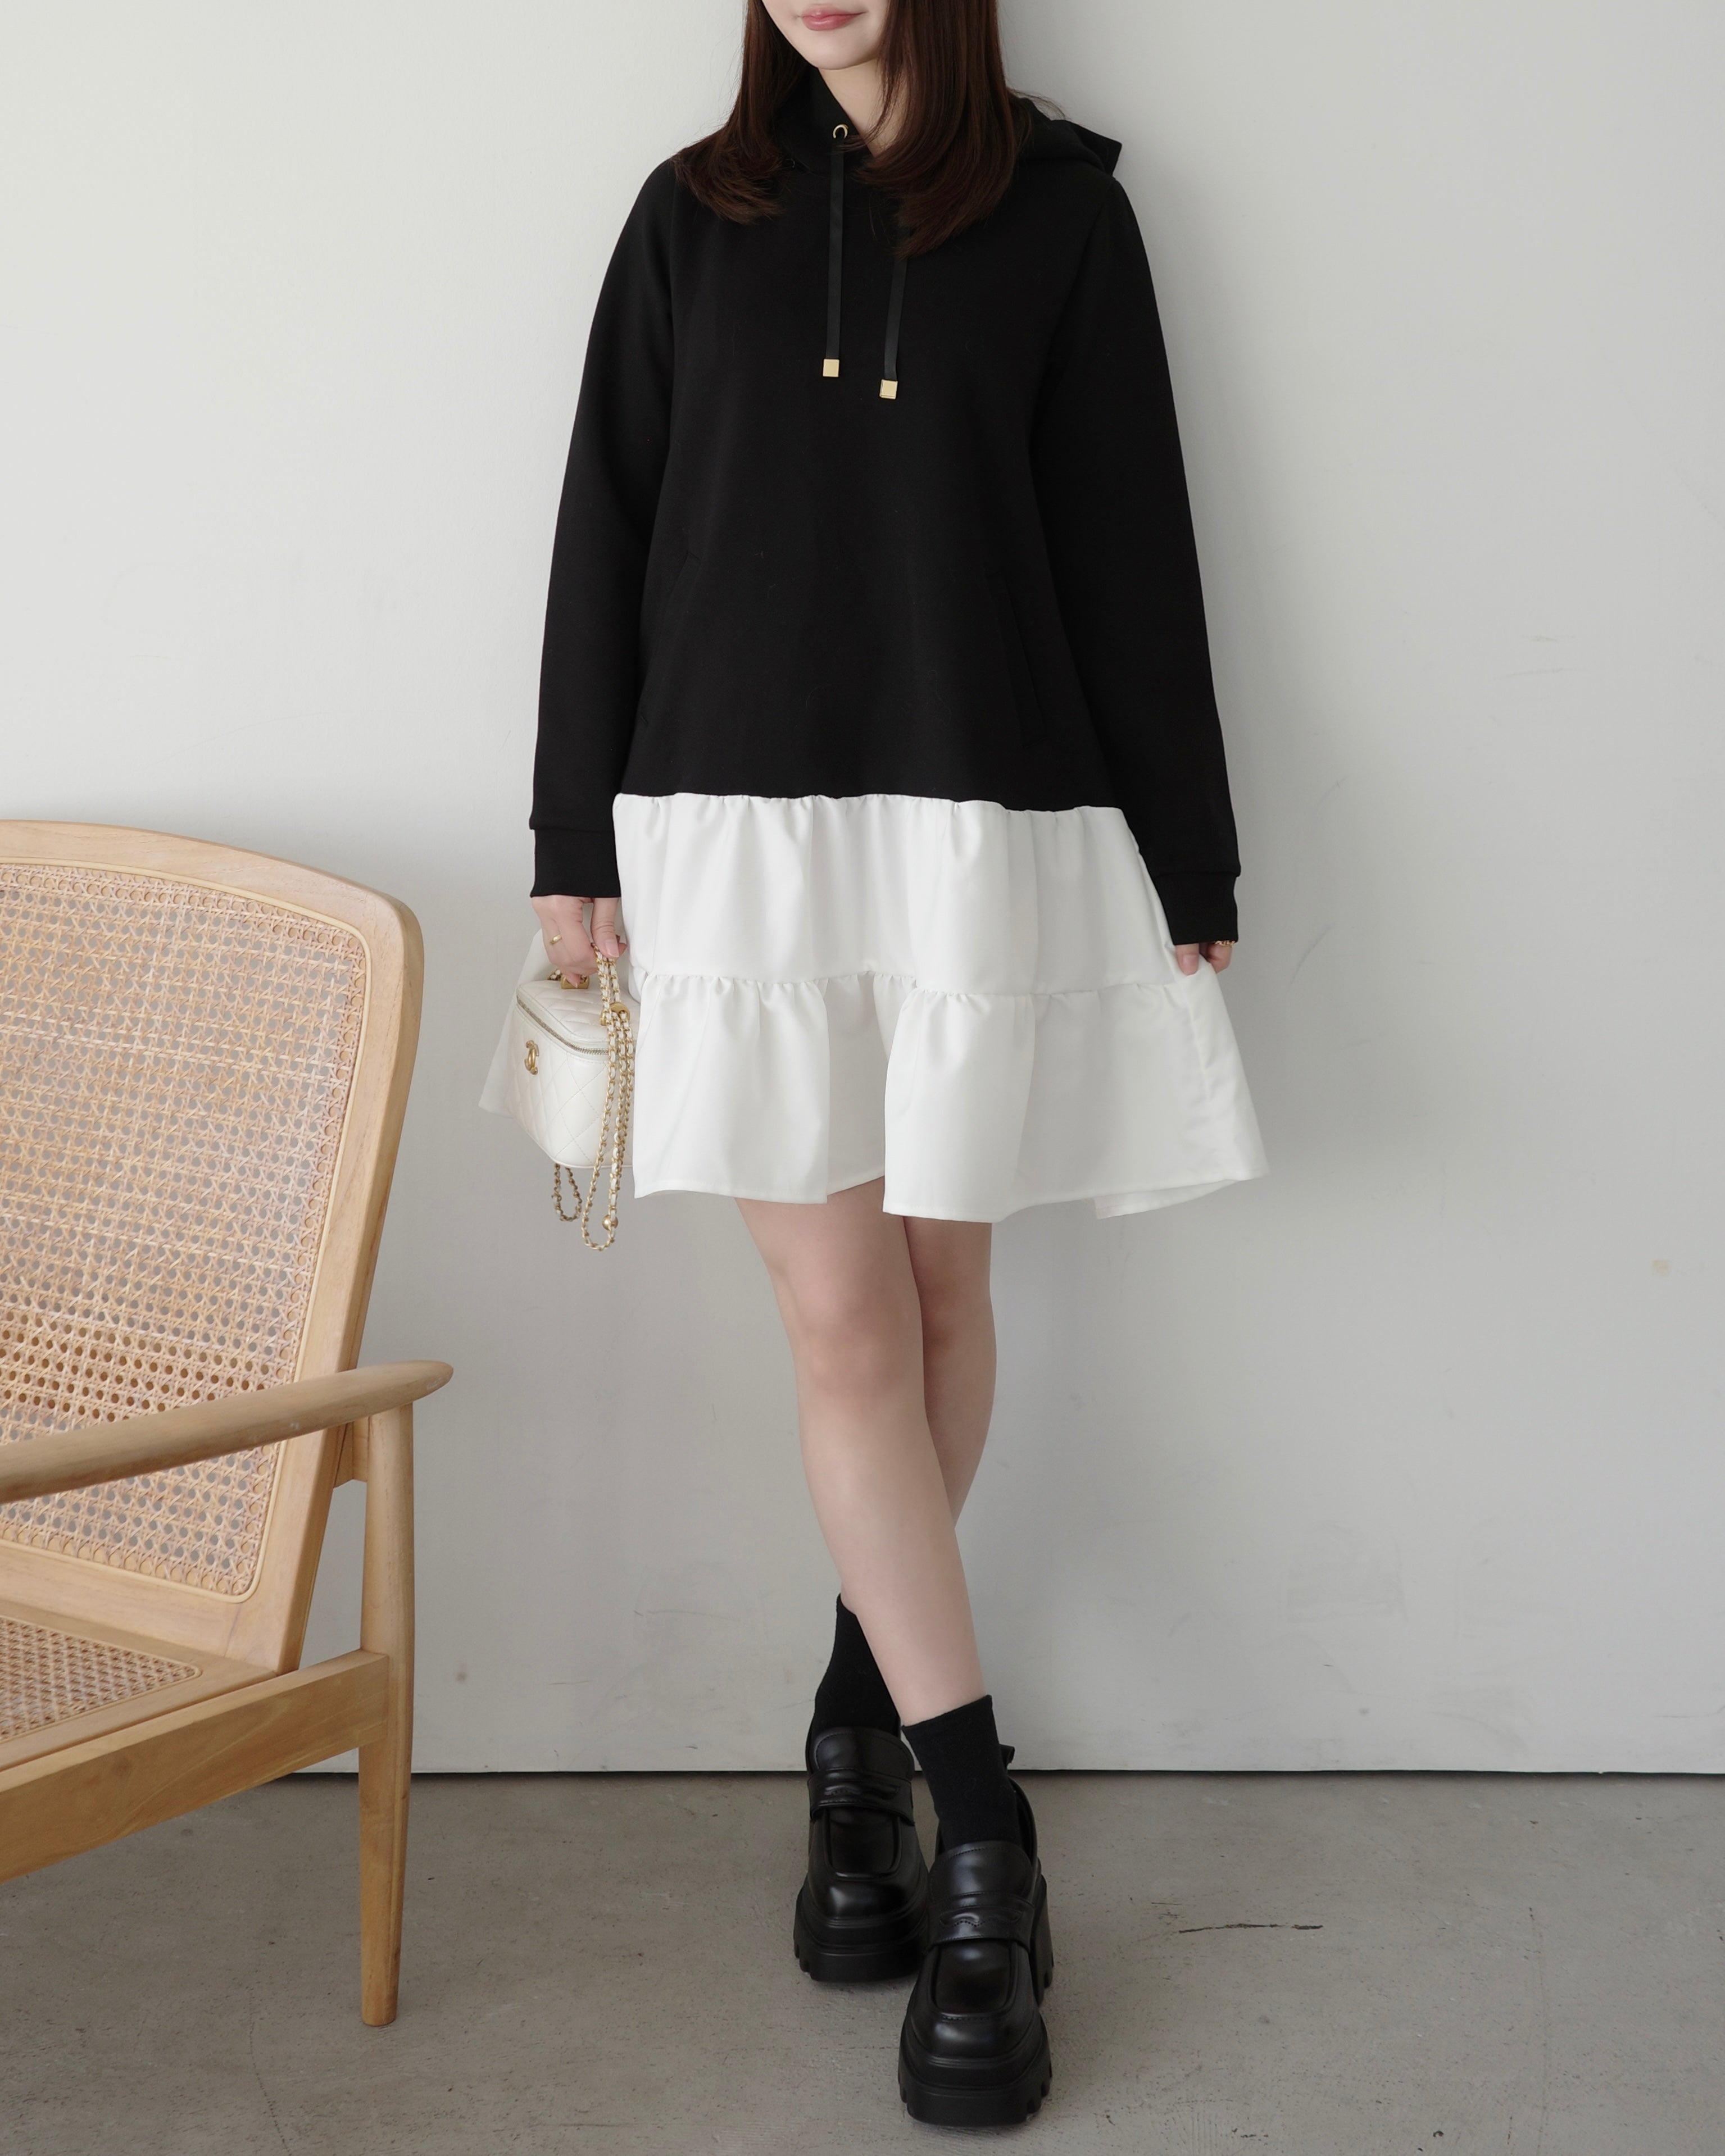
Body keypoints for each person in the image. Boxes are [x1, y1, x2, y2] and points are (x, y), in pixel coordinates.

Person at [528, 0, 1264, 2126]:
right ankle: (986, 1836)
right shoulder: (694, 217)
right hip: (733, 832)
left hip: (978, 829)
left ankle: (856, 1727)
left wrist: (1190, 848)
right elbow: (605, 525)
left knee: (946, 1294)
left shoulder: (1068, 214)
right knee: (845, 1320)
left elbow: (1129, 542)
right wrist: (575, 842)